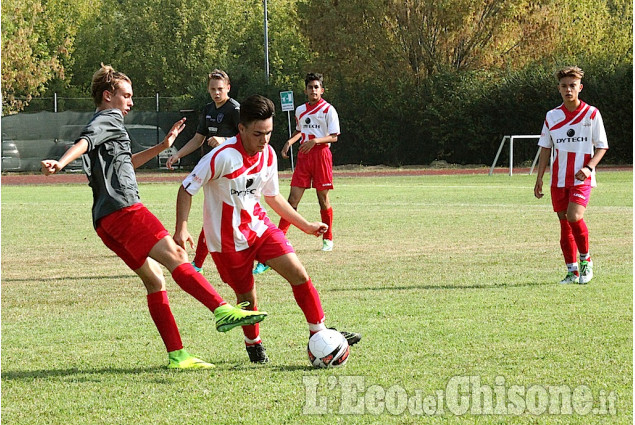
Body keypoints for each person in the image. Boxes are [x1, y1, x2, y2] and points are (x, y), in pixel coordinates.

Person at [40, 64, 267, 369]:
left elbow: (126, 164)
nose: (130, 102)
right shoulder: (108, 118)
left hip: (104, 220)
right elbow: (85, 142)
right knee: (176, 255)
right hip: (124, 209)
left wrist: (163, 147)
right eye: (126, 96)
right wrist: (61, 162)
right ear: (108, 96)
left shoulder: (106, 122)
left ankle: (177, 355)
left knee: (155, 280)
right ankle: (221, 309)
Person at [174, 94, 360, 364]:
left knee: (298, 273)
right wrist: (182, 228)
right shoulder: (221, 157)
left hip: (260, 229)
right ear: (241, 129)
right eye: (258, 133)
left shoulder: (268, 154)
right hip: (226, 242)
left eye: (269, 133)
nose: (264, 140)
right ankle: (253, 343)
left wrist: (305, 225)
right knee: (247, 296)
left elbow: (273, 197)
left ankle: (319, 332)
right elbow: (186, 188)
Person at [253, 73, 340, 274]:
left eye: (317, 87)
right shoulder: (300, 110)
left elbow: (334, 137)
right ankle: (279, 241)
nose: (313, 90)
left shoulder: (328, 110)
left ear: (322, 90)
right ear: (306, 90)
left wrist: (316, 142)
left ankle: (328, 238)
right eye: (310, 87)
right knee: (292, 200)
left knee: (323, 200)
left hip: (321, 156)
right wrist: (290, 143)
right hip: (304, 156)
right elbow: (301, 130)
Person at [534, 66, 608, 284]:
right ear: (559, 89)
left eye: (572, 86)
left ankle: (586, 260)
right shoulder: (552, 116)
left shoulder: (592, 114)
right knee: (564, 223)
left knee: (575, 216)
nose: (568, 89)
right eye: (564, 86)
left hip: (581, 178)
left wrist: (589, 167)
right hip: (558, 179)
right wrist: (539, 178)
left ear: (580, 88)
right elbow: (545, 148)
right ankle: (571, 271)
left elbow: (602, 146)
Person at [166, 69, 240, 273]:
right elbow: (198, 139)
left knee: (232, 216)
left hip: (232, 169)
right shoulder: (208, 110)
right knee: (213, 216)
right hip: (212, 166)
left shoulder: (235, 110)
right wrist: (178, 155)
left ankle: (259, 256)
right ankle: (197, 264)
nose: (216, 93)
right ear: (208, 90)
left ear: (228, 88)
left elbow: (247, 137)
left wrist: (225, 140)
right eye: (213, 89)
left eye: (220, 89)